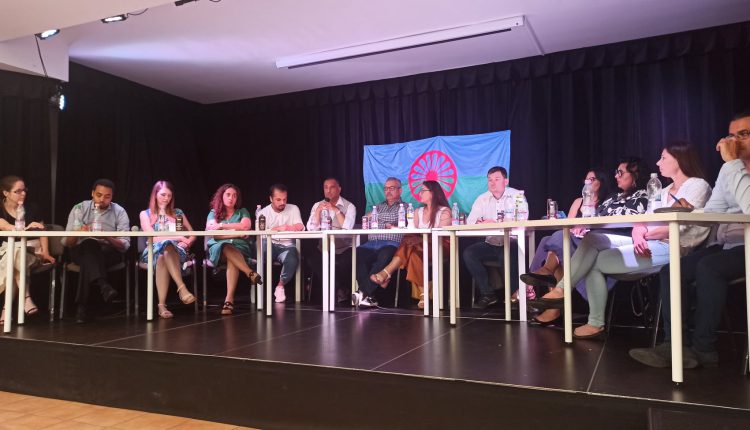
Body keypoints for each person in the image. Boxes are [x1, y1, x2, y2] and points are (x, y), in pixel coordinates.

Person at [532, 151, 711, 339]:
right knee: (590, 242)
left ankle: (589, 317)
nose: (658, 162)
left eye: (663, 158)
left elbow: (680, 226)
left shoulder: (697, 185)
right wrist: (639, 231)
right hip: (647, 242)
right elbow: (645, 220)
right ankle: (565, 294)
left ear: (680, 159)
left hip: (674, 247)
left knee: (583, 251)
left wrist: (645, 233)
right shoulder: (663, 190)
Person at [630, 110, 750, 368]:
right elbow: (713, 213)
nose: (735, 142)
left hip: (747, 247)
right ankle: (674, 345)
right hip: (727, 246)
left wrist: (732, 164)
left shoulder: (731, 167)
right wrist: (690, 211)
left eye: (744, 135)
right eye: (732, 136)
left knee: (709, 267)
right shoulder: (728, 171)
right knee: (672, 270)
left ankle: (704, 349)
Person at [520, 168, 611, 325]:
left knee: (554, 238)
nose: (588, 183)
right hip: (572, 241)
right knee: (552, 239)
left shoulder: (607, 202)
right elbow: (568, 225)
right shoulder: (578, 201)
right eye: (586, 180)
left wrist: (585, 228)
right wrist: (575, 228)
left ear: (601, 182)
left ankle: (540, 281)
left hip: (589, 245)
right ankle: (552, 305)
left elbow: (604, 229)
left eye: (592, 179)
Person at [370, 180, 451, 309]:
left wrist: (419, 240)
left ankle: (386, 273)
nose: (420, 194)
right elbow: (412, 231)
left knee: (410, 243)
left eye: (423, 191)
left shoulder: (444, 211)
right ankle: (424, 295)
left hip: (439, 247)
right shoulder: (418, 211)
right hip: (419, 248)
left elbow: (440, 235)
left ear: (433, 193)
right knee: (412, 252)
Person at [63, 179, 130, 324]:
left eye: (107, 196)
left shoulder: (119, 211)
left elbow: (125, 245)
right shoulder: (80, 208)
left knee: (89, 256)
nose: (102, 200)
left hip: (108, 251)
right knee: (89, 244)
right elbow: (67, 243)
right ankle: (103, 285)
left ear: (112, 197)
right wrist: (78, 233)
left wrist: (107, 237)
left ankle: (81, 308)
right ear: (92, 193)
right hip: (80, 249)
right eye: (99, 195)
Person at [462, 166, 521, 309]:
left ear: (505, 181)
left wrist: (494, 223)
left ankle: (514, 295)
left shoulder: (516, 196)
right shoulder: (482, 198)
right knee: (469, 253)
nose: (493, 183)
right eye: (490, 180)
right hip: (491, 243)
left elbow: (521, 219)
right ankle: (488, 294)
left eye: (497, 179)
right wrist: (481, 223)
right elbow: (471, 222)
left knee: (507, 254)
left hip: (511, 242)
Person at [0, 176, 55, 323]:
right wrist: (27, 228)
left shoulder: (32, 207)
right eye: (18, 191)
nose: (23, 194)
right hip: (7, 252)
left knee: (14, 258)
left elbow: (42, 232)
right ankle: (26, 297)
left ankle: (6, 310)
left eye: (24, 190)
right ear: (6, 193)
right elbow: (6, 226)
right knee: (16, 254)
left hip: (32, 252)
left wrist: (46, 252)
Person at [139, 181, 198, 319]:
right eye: (163, 195)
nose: (166, 198)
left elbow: (192, 233)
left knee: (167, 250)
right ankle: (182, 288)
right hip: (153, 251)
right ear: (155, 195)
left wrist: (187, 242)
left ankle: (161, 305)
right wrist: (179, 237)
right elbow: (153, 237)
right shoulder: (146, 214)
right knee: (164, 250)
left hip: (176, 251)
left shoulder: (177, 213)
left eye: (169, 195)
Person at [206, 183, 262, 316]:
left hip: (240, 249)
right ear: (222, 196)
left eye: (234, 196)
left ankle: (229, 300)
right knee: (226, 246)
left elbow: (246, 226)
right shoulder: (213, 213)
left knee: (232, 257)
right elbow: (214, 234)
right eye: (228, 195)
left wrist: (222, 226)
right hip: (219, 249)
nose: (231, 198)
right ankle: (249, 272)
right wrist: (237, 233)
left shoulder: (243, 211)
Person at [351, 177, 404, 308]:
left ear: (400, 190)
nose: (388, 191)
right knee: (357, 253)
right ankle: (367, 296)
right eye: (386, 189)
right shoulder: (378, 207)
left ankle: (363, 292)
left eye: (392, 188)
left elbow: (402, 224)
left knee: (385, 255)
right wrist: (380, 222)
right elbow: (366, 219)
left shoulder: (405, 207)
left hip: (391, 243)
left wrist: (387, 224)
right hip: (372, 243)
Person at [305, 177, 356, 303]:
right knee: (312, 260)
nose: (328, 191)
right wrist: (318, 211)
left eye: (332, 187)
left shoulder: (349, 206)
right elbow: (311, 229)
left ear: (339, 189)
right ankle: (337, 288)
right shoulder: (317, 205)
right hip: (324, 249)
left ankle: (338, 289)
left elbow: (348, 228)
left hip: (343, 249)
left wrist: (336, 210)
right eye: (326, 188)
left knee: (344, 263)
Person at [259, 183, 304, 304]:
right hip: (270, 243)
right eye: (278, 199)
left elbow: (300, 226)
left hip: (287, 245)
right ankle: (256, 287)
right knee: (257, 251)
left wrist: (286, 227)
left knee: (292, 259)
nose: (282, 202)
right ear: (271, 199)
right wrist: (277, 229)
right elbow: (261, 234)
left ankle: (280, 287)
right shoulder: (263, 212)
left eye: (284, 199)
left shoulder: (293, 208)